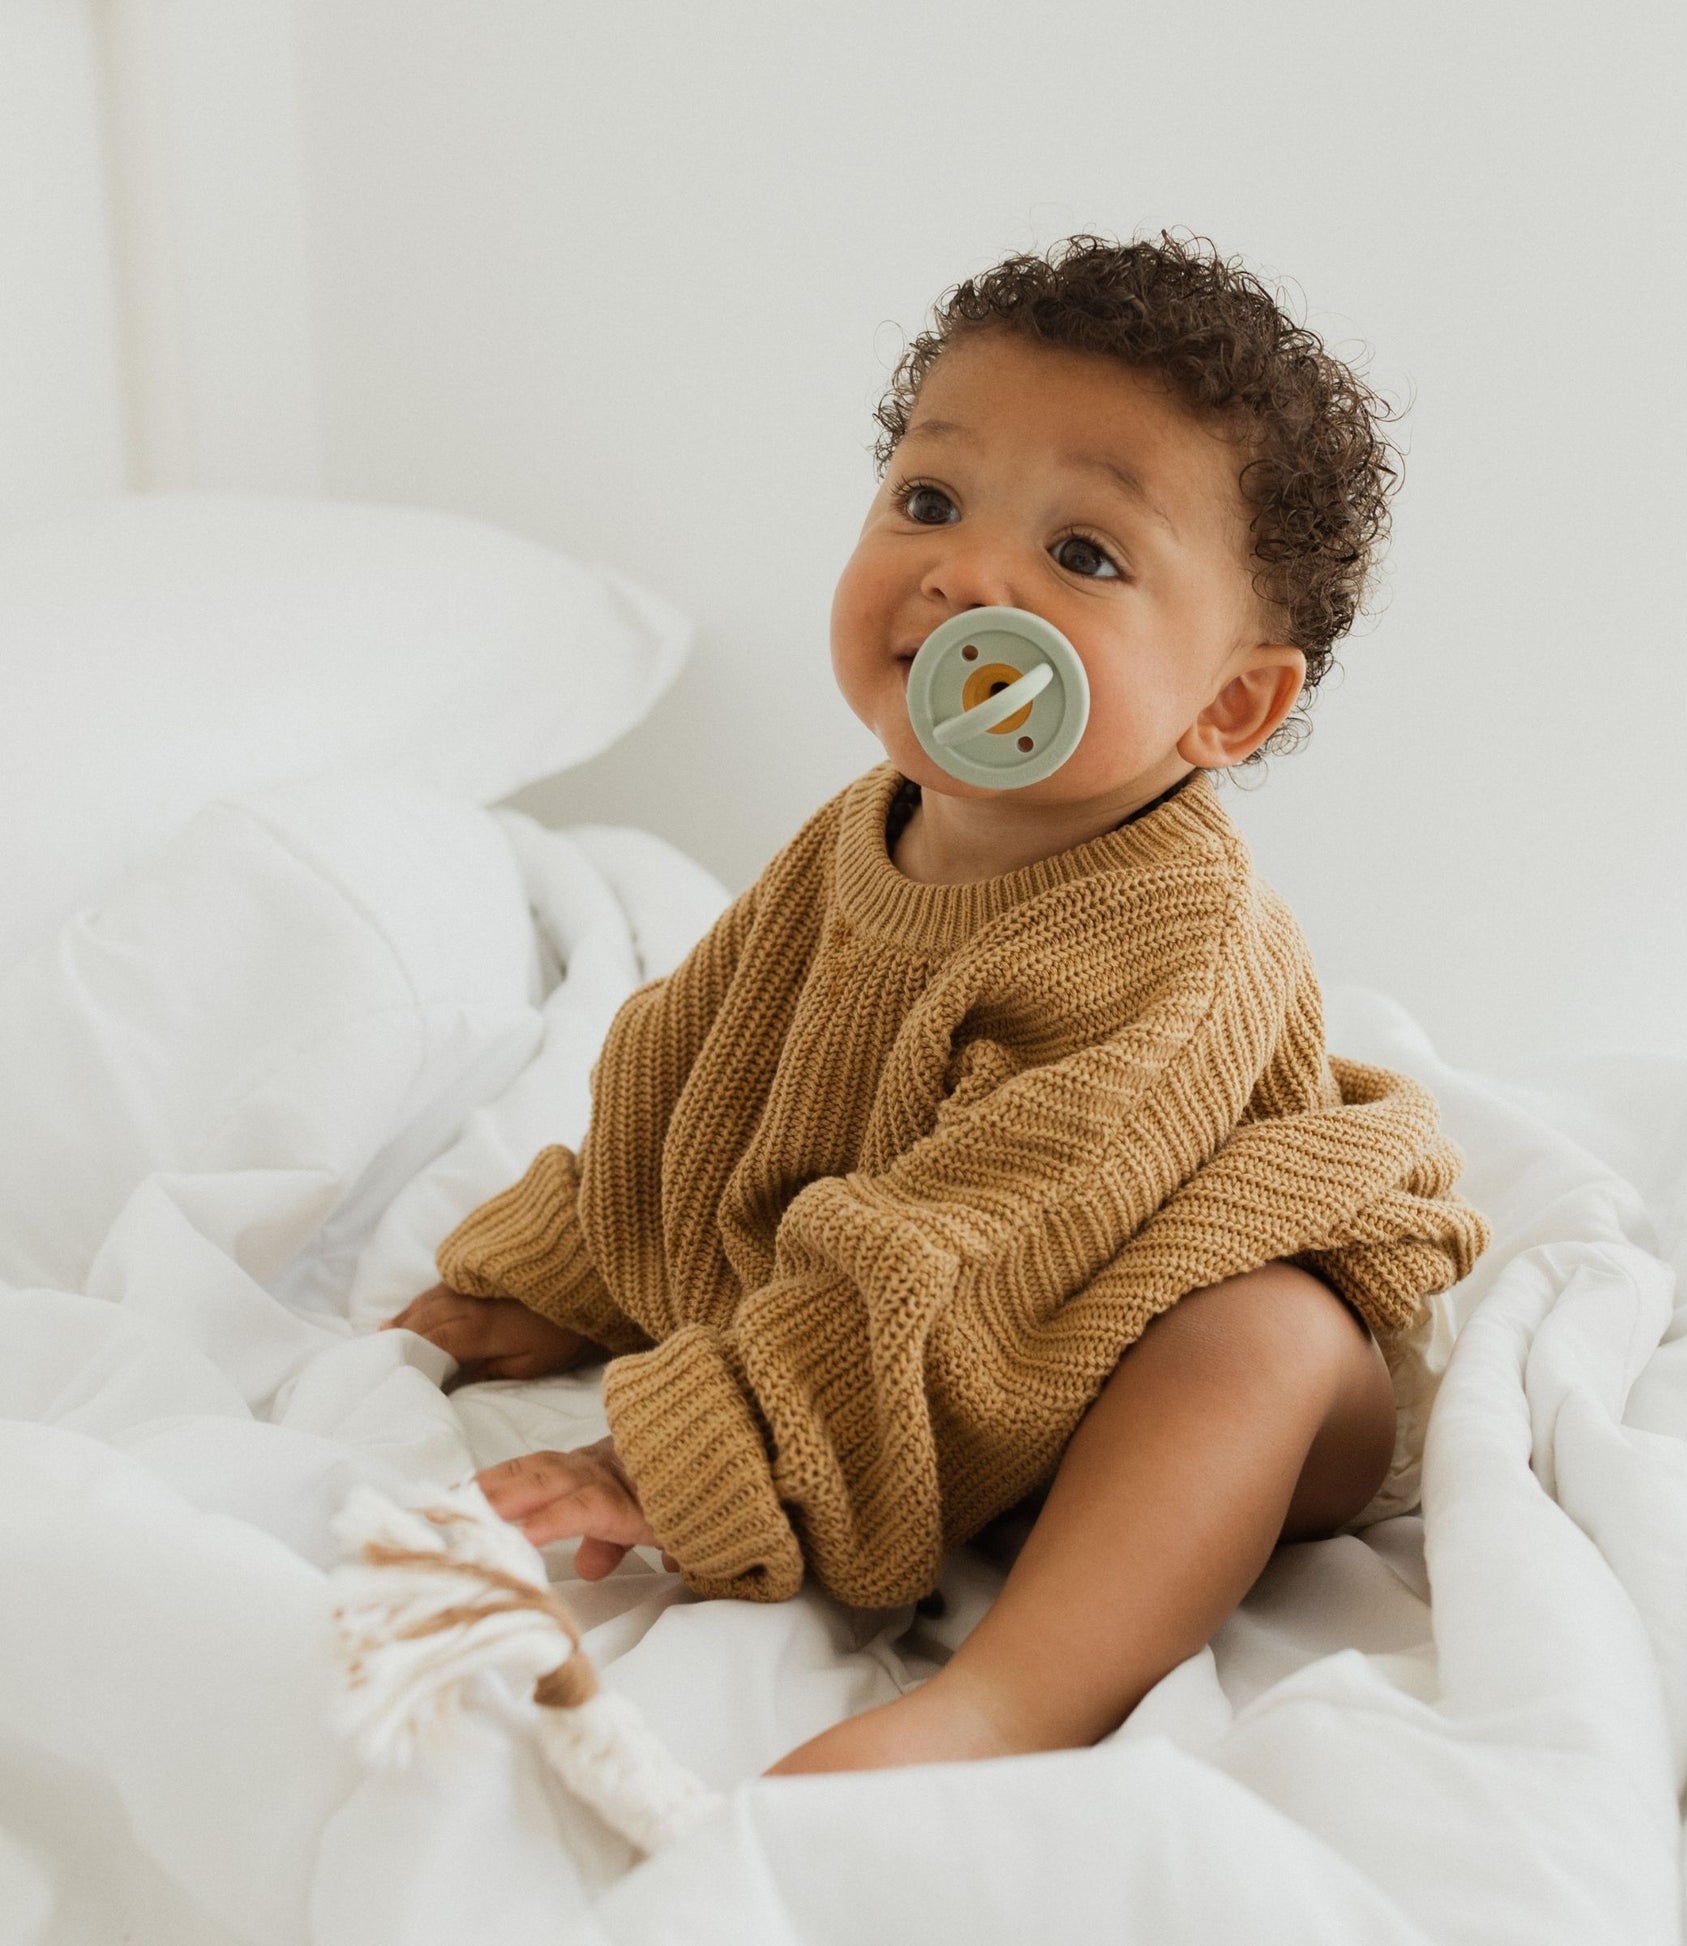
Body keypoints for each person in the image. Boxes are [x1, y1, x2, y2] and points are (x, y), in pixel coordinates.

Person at [382, 233, 1490, 1775]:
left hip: (1146, 1308)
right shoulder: (869, 823)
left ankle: (1011, 1697)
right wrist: (575, 1262)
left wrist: (686, 1454)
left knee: (1262, 1337)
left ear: (1226, 704)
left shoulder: (1168, 937)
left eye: (1084, 556)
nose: (967, 576)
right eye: (929, 501)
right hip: (952, 1335)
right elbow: (699, 1076)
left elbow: (976, 1236)